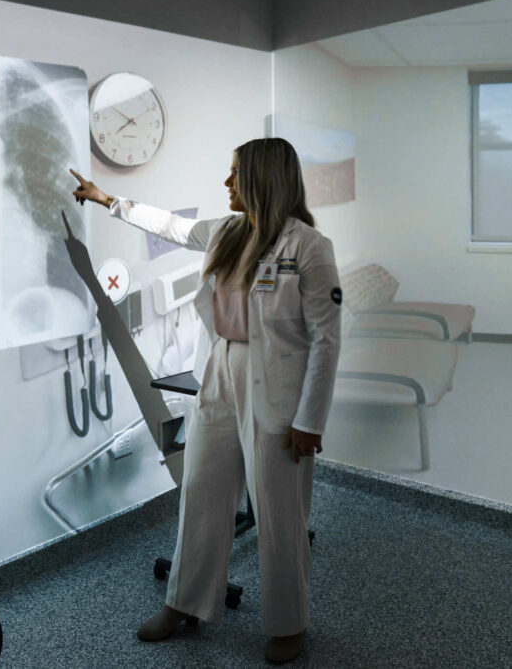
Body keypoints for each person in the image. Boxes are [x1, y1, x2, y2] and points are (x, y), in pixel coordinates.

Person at [70, 137, 341, 664]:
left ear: (264, 177)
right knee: (200, 490)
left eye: (235, 172)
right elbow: (169, 225)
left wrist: (311, 419)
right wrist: (109, 202)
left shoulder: (308, 246)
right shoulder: (227, 231)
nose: (227, 182)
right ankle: (186, 603)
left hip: (279, 384)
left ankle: (289, 623)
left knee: (278, 510)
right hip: (221, 369)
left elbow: (328, 339)